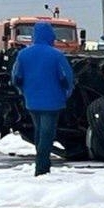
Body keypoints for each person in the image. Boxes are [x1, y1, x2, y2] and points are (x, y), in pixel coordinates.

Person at [11, 21, 74, 176]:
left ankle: (41, 163)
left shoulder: (24, 54)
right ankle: (42, 167)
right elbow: (66, 77)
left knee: (40, 130)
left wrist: (23, 90)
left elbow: (16, 77)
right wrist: (67, 91)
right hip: (53, 101)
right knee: (47, 133)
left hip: (32, 100)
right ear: (51, 36)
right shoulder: (56, 55)